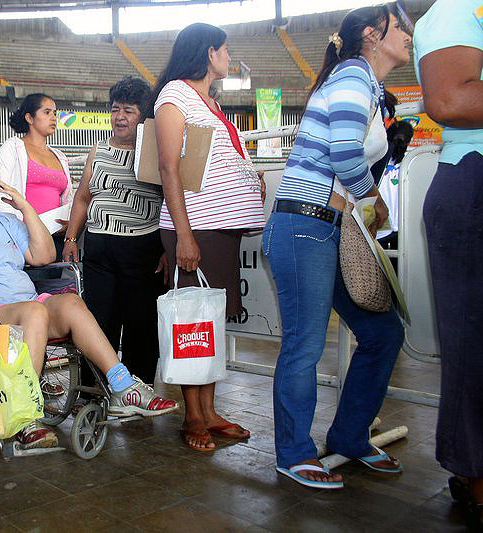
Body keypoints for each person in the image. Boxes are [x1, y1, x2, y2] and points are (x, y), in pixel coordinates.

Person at [0, 149, 178, 449]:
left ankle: (122, 385)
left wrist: (24, 207)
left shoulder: (5, 221)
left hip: (27, 306)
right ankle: (24, 412)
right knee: (35, 312)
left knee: (71, 303)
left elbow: (43, 256)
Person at [262, 6, 410, 489]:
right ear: (372, 34)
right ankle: (293, 453)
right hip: (305, 225)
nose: (408, 33)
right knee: (305, 343)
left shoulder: (366, 84)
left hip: (327, 228)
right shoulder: (353, 75)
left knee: (383, 333)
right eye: (399, 26)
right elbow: (345, 153)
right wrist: (373, 199)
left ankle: (350, 435)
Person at [148, 23, 266, 452]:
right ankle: (193, 416)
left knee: (210, 321)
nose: (229, 56)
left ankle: (210, 411)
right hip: (196, 226)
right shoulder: (174, 96)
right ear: (208, 52)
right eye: (225, 49)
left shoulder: (209, 101)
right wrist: (184, 235)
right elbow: (168, 168)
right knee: (193, 323)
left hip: (219, 229)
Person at [414, 1, 483, 525]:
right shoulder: (456, 10)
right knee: (473, 341)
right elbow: (449, 98)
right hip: (473, 176)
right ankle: (475, 472)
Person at [62, 76, 166, 385]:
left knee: (140, 324)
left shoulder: (157, 153)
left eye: (129, 111)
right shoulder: (97, 151)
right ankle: (93, 390)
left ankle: (139, 389)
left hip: (142, 249)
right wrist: (71, 237)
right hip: (98, 250)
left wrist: (167, 249)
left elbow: (172, 202)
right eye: (115, 109)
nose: (119, 117)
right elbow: (83, 197)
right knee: (98, 322)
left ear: (143, 116)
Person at [0, 93, 73, 260]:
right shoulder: (12, 147)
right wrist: (18, 230)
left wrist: (69, 223)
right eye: (47, 112)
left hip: (56, 237)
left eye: (55, 113)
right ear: (29, 117)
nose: (53, 118)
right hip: (23, 238)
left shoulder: (60, 156)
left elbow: (68, 198)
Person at [376, 120, 414, 263]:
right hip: (403, 226)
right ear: (409, 140)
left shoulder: (376, 159)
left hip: (379, 224)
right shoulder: (411, 162)